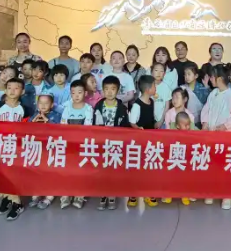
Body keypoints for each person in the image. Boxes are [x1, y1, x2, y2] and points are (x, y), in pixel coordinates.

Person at [0, 78, 35, 220]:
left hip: (17, 146)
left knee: (13, 174)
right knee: (3, 174)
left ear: (22, 91)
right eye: (9, 88)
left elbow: (27, 129)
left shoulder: (25, 109)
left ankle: (17, 203)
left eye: (16, 88)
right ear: (5, 89)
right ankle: (8, 199)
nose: (12, 91)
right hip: (1, 146)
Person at [201, 65, 231, 210]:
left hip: (227, 138)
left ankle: (226, 196)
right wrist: (205, 122)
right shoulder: (213, 93)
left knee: (226, 167)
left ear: (219, 79)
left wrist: (225, 126)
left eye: (212, 77)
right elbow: (206, 109)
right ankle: (211, 191)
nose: (210, 80)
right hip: (212, 136)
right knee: (213, 165)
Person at [93, 75, 131, 211]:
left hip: (116, 145)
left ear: (118, 90)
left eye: (113, 89)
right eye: (106, 89)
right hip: (102, 144)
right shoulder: (98, 106)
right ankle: (103, 195)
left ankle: (112, 195)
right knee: (102, 171)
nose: (109, 92)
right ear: (103, 90)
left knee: (114, 170)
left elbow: (126, 127)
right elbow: (94, 125)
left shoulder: (122, 108)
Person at [59, 80, 98, 210]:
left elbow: (88, 127)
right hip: (68, 144)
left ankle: (79, 195)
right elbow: (63, 125)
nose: (76, 95)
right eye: (73, 93)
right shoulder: (67, 108)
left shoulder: (88, 109)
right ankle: (65, 195)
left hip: (82, 144)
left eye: (79, 92)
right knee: (67, 170)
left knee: (81, 170)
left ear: (85, 93)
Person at [128, 75, 158, 207]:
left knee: (149, 168)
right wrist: (138, 128)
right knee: (137, 169)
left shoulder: (152, 102)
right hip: (139, 142)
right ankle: (133, 194)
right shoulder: (137, 105)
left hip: (150, 142)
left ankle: (148, 193)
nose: (156, 88)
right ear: (148, 89)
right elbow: (132, 122)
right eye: (154, 86)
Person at [29, 94, 58, 211]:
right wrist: (33, 122)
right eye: (40, 103)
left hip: (51, 149)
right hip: (38, 149)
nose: (43, 105)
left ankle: (49, 197)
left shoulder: (56, 115)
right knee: (37, 173)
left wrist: (47, 121)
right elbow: (26, 129)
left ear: (52, 105)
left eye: (46, 103)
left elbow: (60, 130)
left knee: (50, 173)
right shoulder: (34, 116)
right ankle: (36, 194)